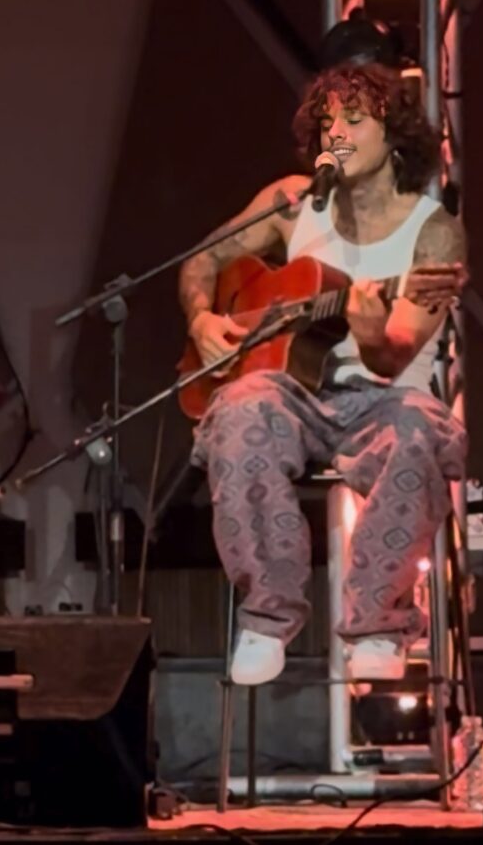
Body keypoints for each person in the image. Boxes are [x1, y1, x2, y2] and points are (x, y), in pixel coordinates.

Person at [179, 62, 467, 685]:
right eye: (328, 121)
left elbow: (392, 357)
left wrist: (370, 330)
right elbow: (202, 260)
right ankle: (267, 618)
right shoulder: (291, 203)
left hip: (385, 398)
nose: (337, 133)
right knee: (241, 408)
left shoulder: (435, 236)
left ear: (394, 133)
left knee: (420, 428)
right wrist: (202, 319)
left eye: (354, 120)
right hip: (293, 393)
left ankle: (377, 622)